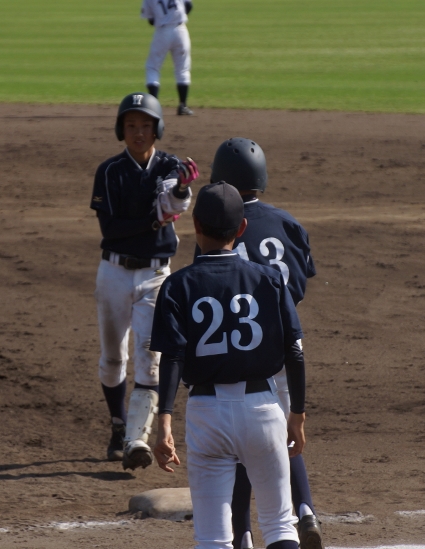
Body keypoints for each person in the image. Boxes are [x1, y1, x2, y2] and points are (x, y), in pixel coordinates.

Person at [151, 181, 307, 549]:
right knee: (280, 524)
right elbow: (294, 352)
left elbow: (172, 357)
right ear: (242, 228)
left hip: (207, 414)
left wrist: (164, 422)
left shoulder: (177, 286)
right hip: (262, 410)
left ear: (196, 226)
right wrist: (297, 415)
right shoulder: (269, 279)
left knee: (213, 537)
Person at [204, 138, 323, 549]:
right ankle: (305, 510)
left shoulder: (224, 226)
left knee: (243, 442)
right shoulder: (287, 223)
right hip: (287, 345)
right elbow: (302, 281)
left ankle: (242, 533)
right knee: (285, 434)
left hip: (244, 350)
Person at [90, 92, 199, 470]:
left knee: (150, 361)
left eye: (146, 126)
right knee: (112, 358)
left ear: (157, 129)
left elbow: (172, 202)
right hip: (114, 273)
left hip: (155, 276)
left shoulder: (169, 166)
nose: (139, 132)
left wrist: (181, 190)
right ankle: (118, 424)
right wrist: (152, 222)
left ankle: (136, 439)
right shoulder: (109, 171)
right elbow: (111, 230)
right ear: (121, 130)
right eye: (132, 125)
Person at [139, 0, 196, 116]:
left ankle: (152, 107)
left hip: (163, 32)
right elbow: (189, 5)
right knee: (182, 68)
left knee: (152, 67)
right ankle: (183, 106)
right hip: (181, 30)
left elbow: (151, 20)